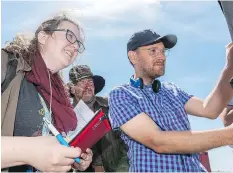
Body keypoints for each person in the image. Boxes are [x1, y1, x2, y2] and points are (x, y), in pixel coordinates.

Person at [108, 29, 233, 172]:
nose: (161, 57)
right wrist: (229, 135)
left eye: (163, 51)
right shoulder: (122, 95)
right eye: (153, 50)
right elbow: (159, 141)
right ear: (133, 57)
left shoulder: (172, 90)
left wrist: (230, 66)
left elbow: (210, 109)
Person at [1, 12, 93, 172]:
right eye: (70, 36)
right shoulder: (6, 65)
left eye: (79, 43)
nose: (76, 47)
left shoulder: (60, 95)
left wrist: (73, 159)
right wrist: (29, 151)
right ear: (43, 37)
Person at [67, 65, 129, 172]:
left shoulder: (111, 106)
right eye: (82, 82)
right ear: (72, 88)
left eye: (90, 82)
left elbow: (127, 141)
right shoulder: (66, 117)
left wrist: (122, 169)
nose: (87, 86)